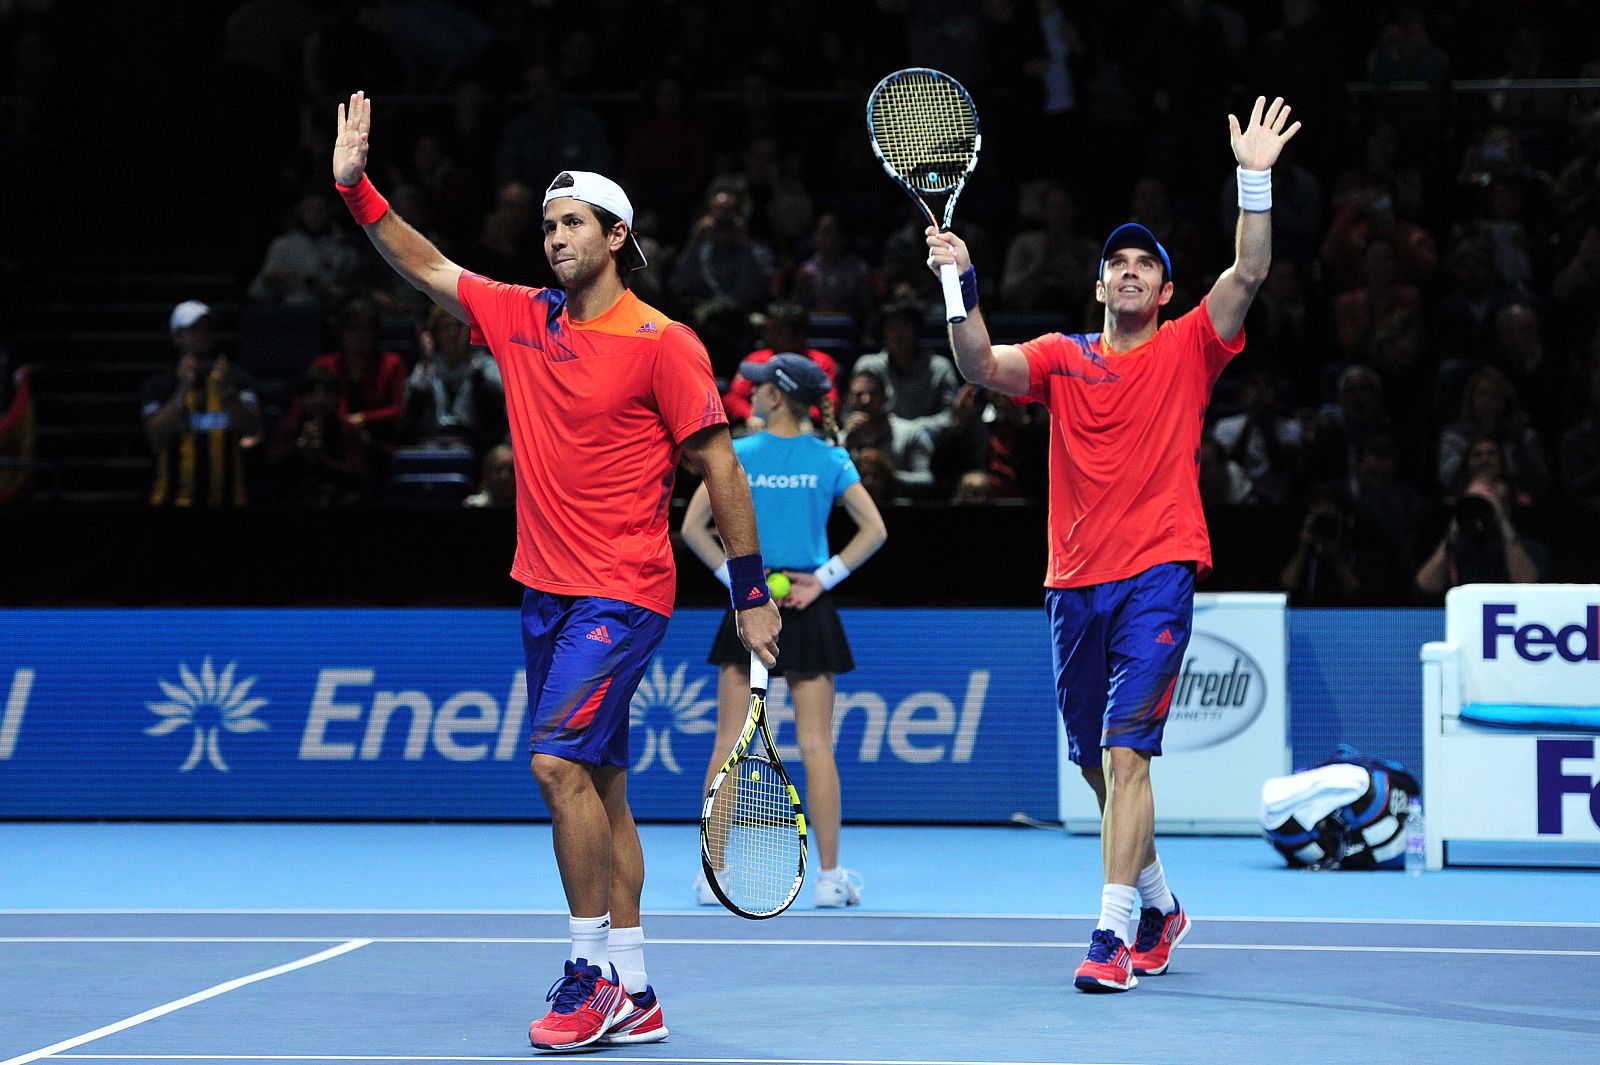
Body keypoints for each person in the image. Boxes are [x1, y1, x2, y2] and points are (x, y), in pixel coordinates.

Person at [331, 92, 780, 1052]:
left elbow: (722, 470)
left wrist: (752, 594)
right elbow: (426, 263)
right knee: (604, 786)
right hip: (545, 588)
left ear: (616, 235)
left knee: (554, 763)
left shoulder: (665, 343)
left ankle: (590, 975)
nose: (553, 238)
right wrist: (356, 188)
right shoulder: (521, 316)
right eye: (545, 225)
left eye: (571, 222)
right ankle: (640, 986)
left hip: (624, 589)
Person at [926, 96, 1300, 993]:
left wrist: (1255, 177)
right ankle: (1162, 902)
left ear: (1165, 291)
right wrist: (957, 281)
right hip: (1073, 582)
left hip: (1159, 573)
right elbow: (979, 364)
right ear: (1099, 285)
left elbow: (1249, 270)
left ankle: (1109, 934)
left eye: (1146, 265)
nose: (1130, 273)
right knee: (1099, 763)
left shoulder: (1188, 349)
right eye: (1116, 263)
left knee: (1129, 753)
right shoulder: (1059, 356)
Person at [681, 353, 887, 909]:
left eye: (760, 387)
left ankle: (712, 874)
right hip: (806, 605)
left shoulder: (738, 454)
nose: (752, 394)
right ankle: (827, 879)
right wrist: (822, 579)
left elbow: (691, 528)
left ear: (776, 396)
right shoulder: (830, 458)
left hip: (751, 605)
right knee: (817, 744)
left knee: (728, 743)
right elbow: (875, 529)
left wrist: (736, 580)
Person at [141, 301, 263, 507]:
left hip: (230, 500)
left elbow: (252, 431)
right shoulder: (160, 385)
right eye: (193, 329)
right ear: (176, 336)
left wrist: (227, 394)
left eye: (206, 327)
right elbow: (155, 438)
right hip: (173, 500)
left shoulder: (236, 379)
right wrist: (182, 391)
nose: (202, 333)